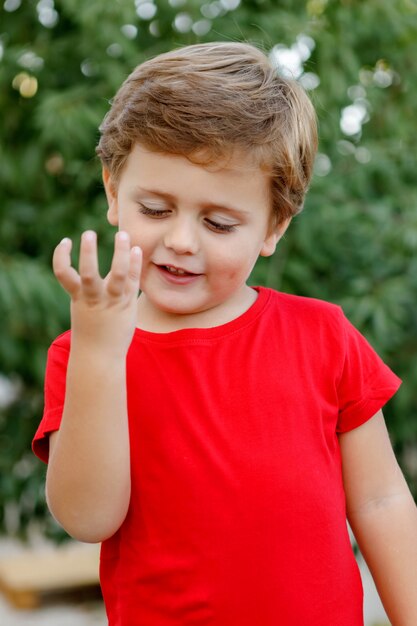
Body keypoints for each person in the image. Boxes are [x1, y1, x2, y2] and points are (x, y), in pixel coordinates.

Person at [32, 42, 417, 626]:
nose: (182, 241)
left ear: (274, 226)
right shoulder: (84, 352)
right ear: (114, 192)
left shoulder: (324, 336)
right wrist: (102, 355)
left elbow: (383, 501)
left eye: (218, 222)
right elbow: (88, 520)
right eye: (156, 209)